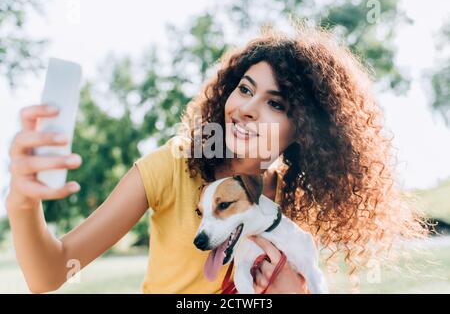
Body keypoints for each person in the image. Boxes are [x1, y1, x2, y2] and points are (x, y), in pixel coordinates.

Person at [6, 26, 427, 294]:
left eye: (275, 103)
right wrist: (23, 203)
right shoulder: (172, 165)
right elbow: (49, 274)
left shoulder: (289, 200)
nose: (246, 108)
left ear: (304, 132)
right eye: (244, 89)